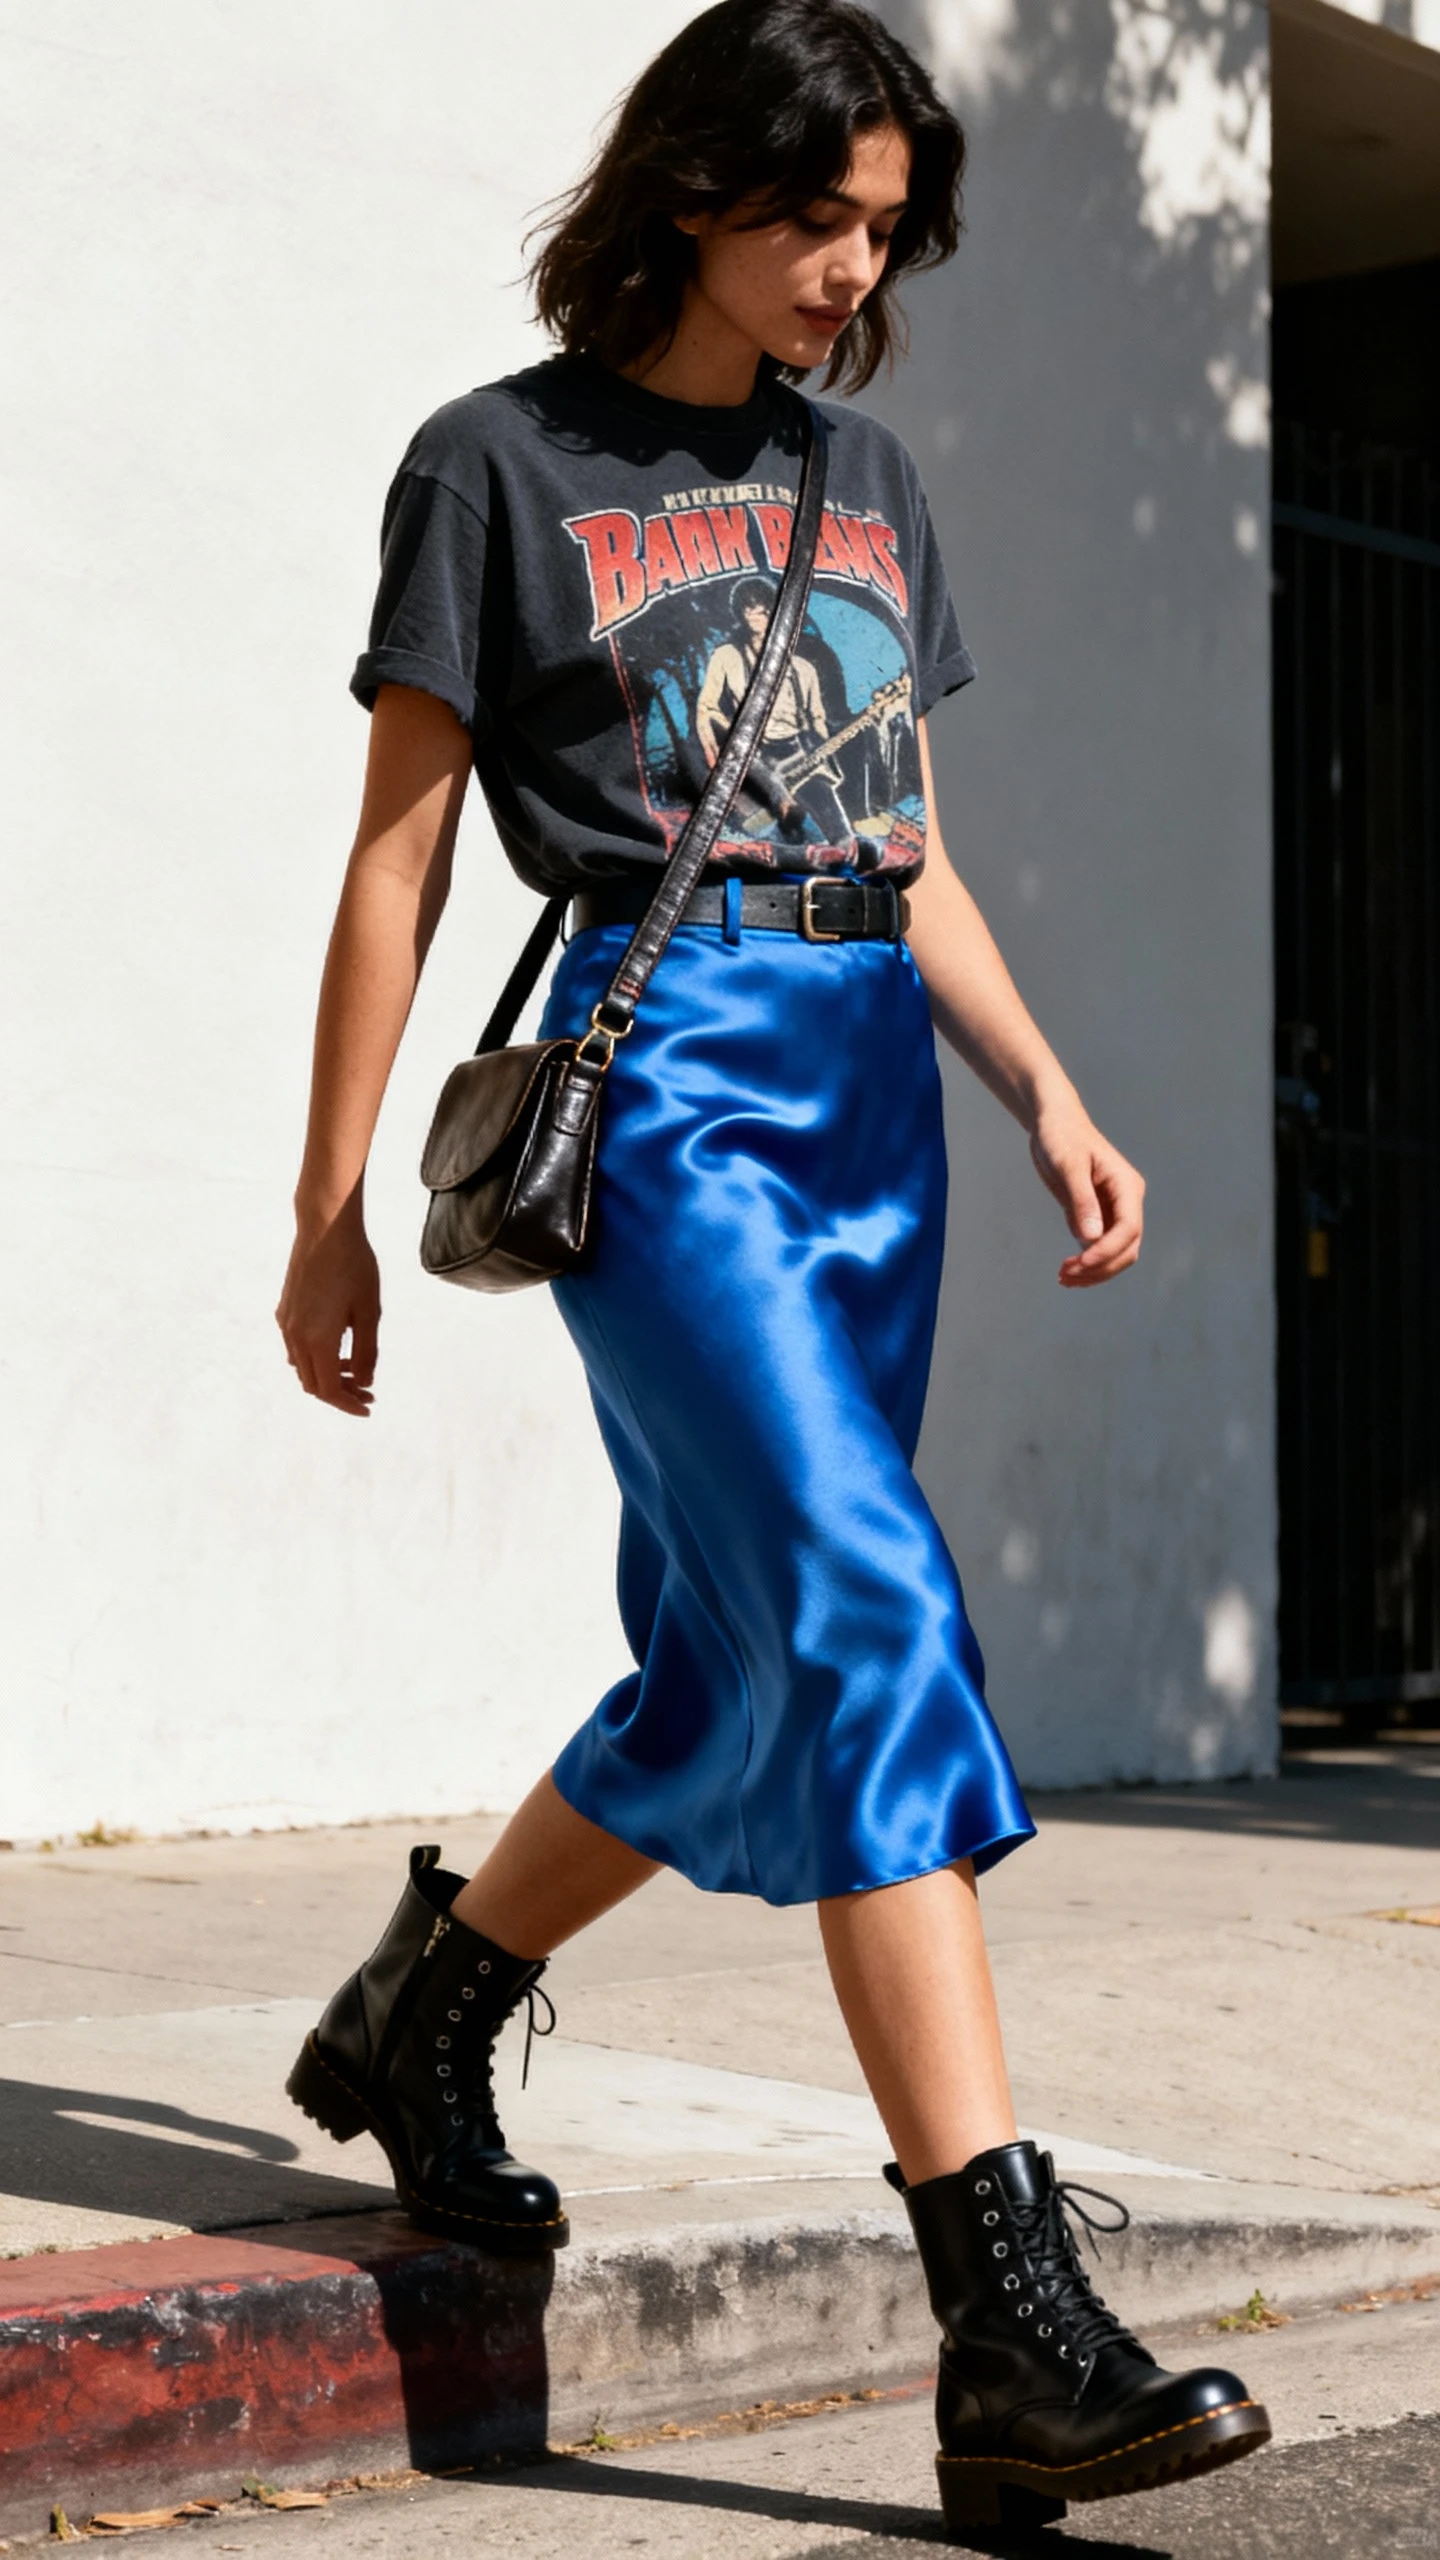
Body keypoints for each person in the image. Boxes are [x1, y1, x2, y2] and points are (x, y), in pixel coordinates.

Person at [275, 0, 1271, 2533]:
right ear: (695, 184)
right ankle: (1004, 2305)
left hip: (862, 1086)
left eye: (883, 228)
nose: (854, 270)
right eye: (818, 213)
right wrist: (324, 1201)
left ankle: (434, 2003)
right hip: (667, 1070)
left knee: (747, 1649)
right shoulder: (492, 464)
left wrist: (1041, 1087)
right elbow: (396, 857)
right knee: (856, 1597)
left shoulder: (869, 476)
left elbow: (906, 839)